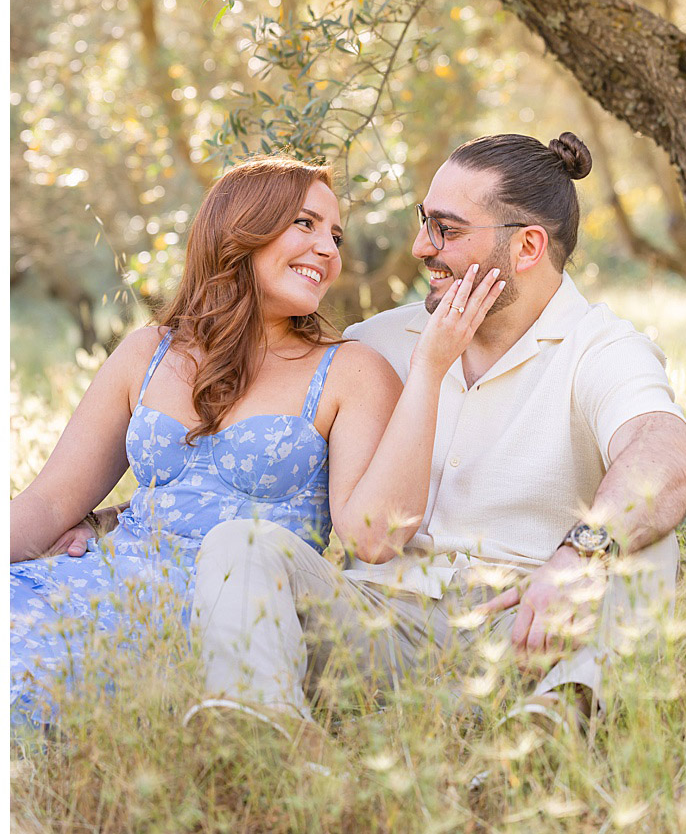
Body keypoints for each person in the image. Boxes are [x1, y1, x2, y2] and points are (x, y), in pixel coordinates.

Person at [184, 132, 686, 741]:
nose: (420, 247)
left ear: (527, 245)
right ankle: (265, 740)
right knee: (242, 543)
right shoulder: (380, 341)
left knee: (642, 533)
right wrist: (115, 518)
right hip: (375, 627)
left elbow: (664, 455)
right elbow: (252, 451)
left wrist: (580, 554)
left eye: (446, 231)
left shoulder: (603, 348)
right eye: (424, 222)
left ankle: (553, 730)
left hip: (525, 635)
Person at [10, 154, 503, 728]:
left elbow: (375, 538)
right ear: (240, 229)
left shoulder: (349, 370)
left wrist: (429, 370)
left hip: (229, 617)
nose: (329, 249)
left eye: (336, 235)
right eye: (306, 224)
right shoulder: (149, 352)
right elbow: (48, 502)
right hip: (97, 585)